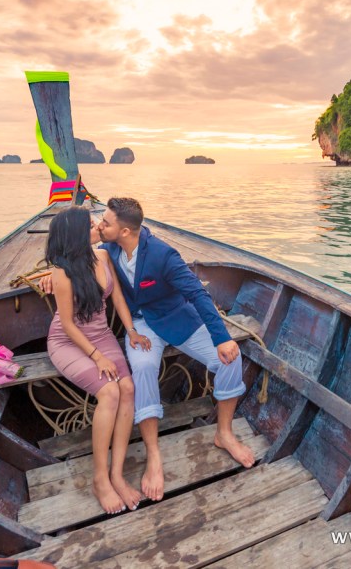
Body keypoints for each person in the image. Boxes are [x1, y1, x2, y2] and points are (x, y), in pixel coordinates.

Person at [96, 197, 255, 502]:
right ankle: (154, 455)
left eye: (106, 222)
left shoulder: (163, 255)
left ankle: (224, 433)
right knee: (143, 368)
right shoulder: (111, 246)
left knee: (230, 359)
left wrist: (222, 337)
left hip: (177, 319)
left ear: (125, 231)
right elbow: (80, 242)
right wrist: (55, 273)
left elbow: (197, 294)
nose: (100, 225)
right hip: (141, 326)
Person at [45, 205, 147, 514]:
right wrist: (97, 357)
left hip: (102, 335)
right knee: (110, 392)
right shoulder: (61, 273)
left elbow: (117, 297)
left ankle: (117, 474)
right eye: (91, 225)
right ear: (77, 234)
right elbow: (67, 324)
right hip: (68, 341)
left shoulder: (103, 255)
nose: (98, 227)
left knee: (128, 389)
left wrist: (131, 331)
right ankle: (100, 479)